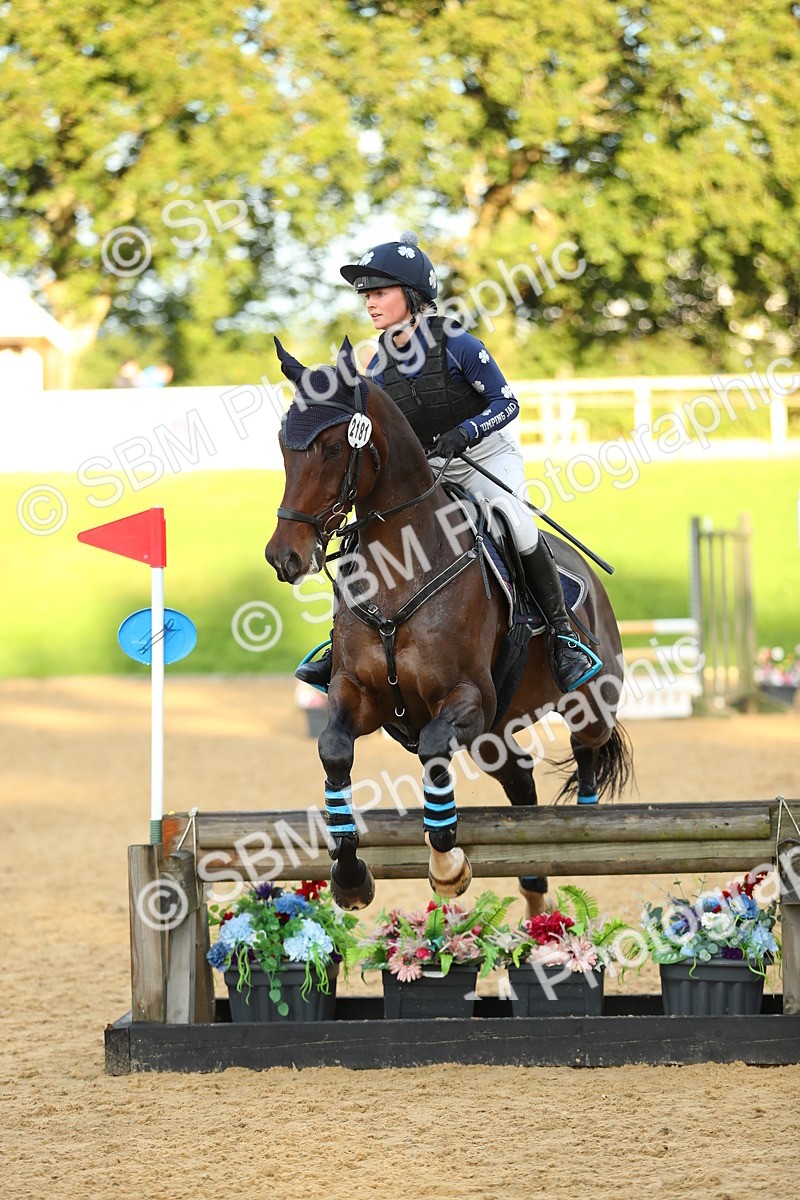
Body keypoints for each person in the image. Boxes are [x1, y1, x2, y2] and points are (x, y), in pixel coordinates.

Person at [295, 231, 600, 694]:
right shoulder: (376, 368)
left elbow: (506, 402)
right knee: (366, 540)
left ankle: (561, 636)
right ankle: (340, 644)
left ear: (412, 297)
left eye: (380, 293)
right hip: (430, 473)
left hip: (486, 459)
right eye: (367, 297)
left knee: (515, 521)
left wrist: (467, 432)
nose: (370, 304)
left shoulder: (458, 343)